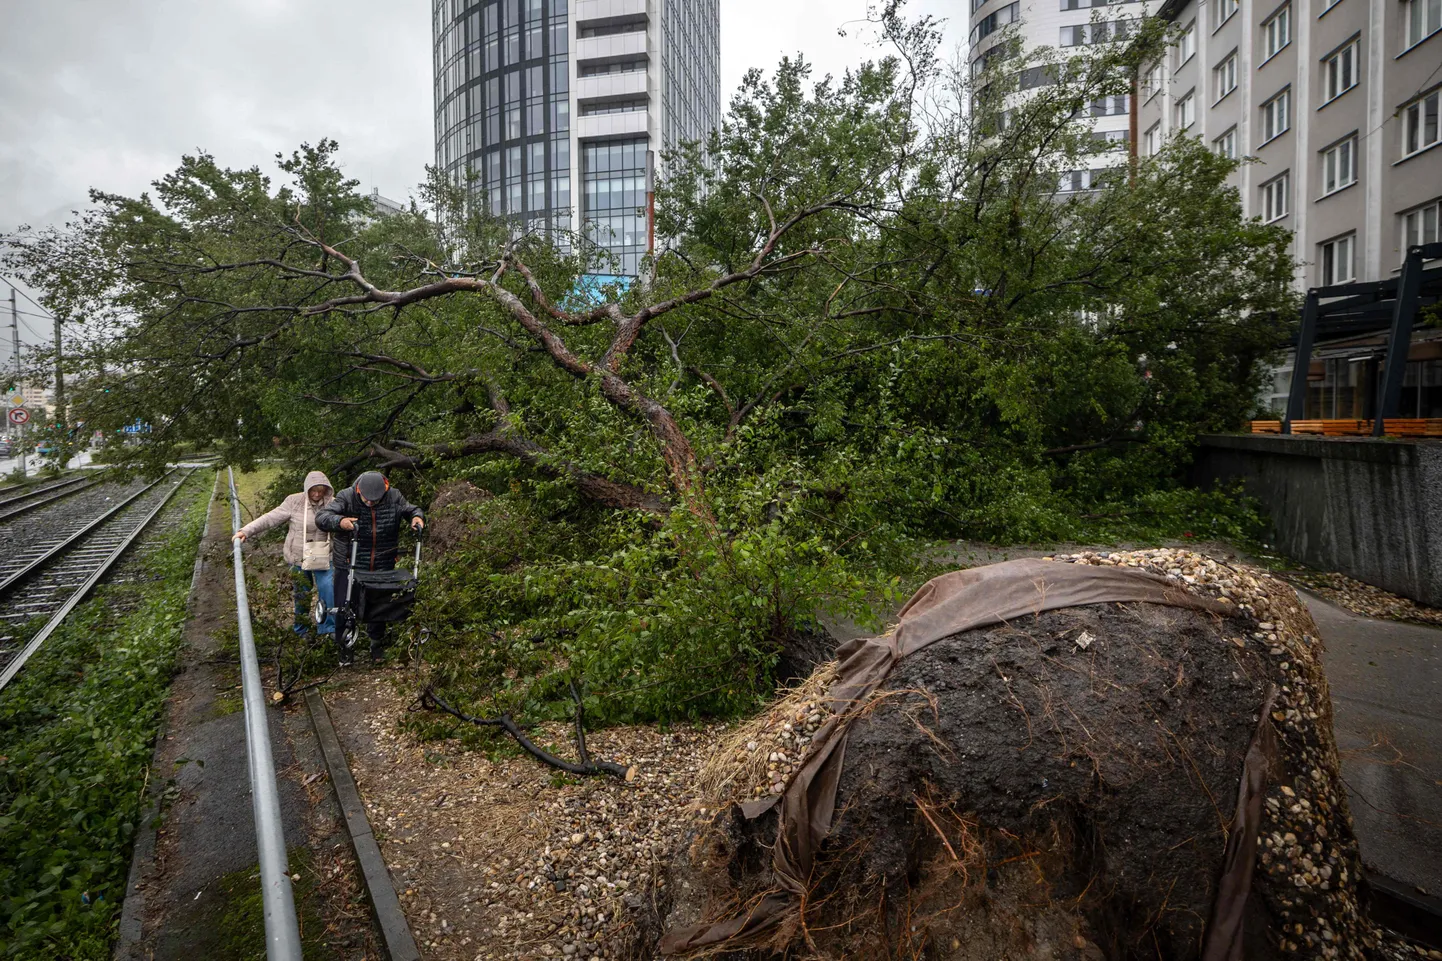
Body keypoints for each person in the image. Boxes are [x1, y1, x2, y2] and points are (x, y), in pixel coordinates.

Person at [315, 470, 424, 665]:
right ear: (359, 490)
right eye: (367, 500)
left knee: (378, 603)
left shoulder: (394, 496)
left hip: (383, 560)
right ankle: (345, 647)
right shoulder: (346, 497)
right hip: (350, 562)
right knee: (344, 605)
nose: (371, 503)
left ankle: (376, 644)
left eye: (375, 500)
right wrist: (340, 522)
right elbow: (322, 517)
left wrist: (416, 517)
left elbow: (411, 509)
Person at [233, 470, 336, 637]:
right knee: (302, 593)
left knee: (328, 590)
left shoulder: (333, 504)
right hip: (298, 556)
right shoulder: (294, 502)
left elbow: (345, 521)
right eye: (313, 491)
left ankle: (328, 629)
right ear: (307, 489)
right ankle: (301, 630)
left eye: (320, 491)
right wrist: (246, 531)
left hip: (324, 555)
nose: (317, 494)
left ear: (326, 489)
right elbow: (271, 517)